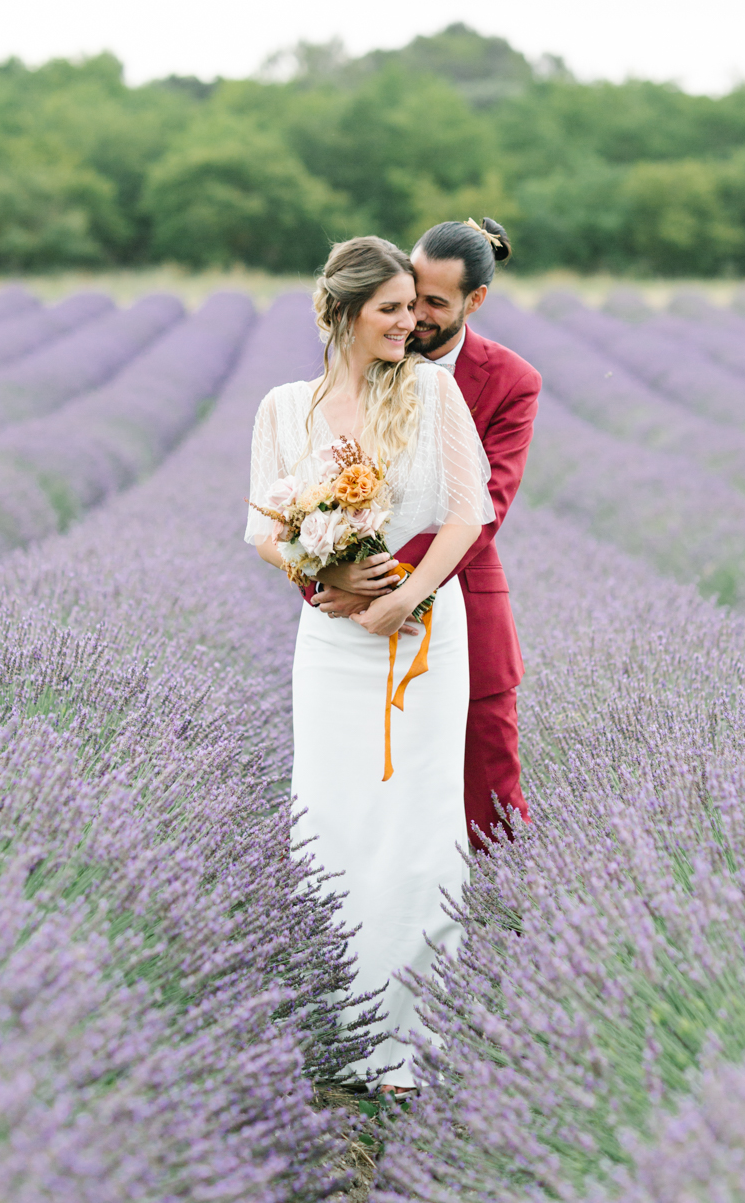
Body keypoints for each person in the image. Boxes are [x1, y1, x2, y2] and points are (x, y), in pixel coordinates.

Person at [245, 235, 494, 1092]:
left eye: (413, 308)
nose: (409, 324)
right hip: (330, 642)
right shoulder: (284, 408)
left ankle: (411, 1038)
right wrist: (323, 571)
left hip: (421, 631)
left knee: (418, 825)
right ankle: (334, 1026)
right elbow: (260, 531)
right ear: (342, 314)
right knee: (331, 820)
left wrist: (400, 595)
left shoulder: (430, 390)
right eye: (390, 309)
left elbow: (470, 513)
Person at [312, 218, 541, 849]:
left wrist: (392, 583)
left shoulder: (511, 381)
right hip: (360, 608)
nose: (415, 318)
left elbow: (487, 505)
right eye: (410, 297)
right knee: (377, 792)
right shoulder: (371, 355)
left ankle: (514, 924)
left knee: (489, 793)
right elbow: (318, 488)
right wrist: (336, 575)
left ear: (477, 301)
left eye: (434, 304)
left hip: (461, 599)